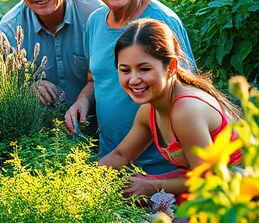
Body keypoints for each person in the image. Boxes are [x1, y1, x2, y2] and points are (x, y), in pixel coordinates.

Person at [63, 0, 195, 175]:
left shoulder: (162, 23)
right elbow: (95, 78)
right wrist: (82, 100)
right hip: (112, 164)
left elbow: (186, 96)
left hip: (160, 171)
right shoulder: (94, 22)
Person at [97, 19, 241, 199]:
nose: (134, 79)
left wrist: (153, 185)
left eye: (144, 69)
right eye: (125, 70)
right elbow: (120, 155)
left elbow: (208, 180)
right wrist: (81, 181)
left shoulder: (186, 111)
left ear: (171, 67)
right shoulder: (149, 110)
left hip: (239, 190)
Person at [0, 0, 104, 107]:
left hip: (97, 120)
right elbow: (1, 87)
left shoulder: (96, 13)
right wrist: (26, 88)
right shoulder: (9, 30)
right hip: (39, 128)